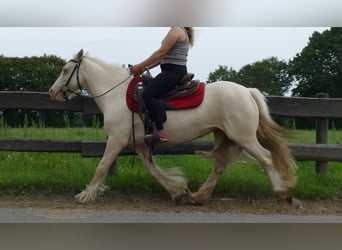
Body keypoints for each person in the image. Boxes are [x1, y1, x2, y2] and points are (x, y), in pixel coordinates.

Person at [130, 27, 194, 143]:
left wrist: (139, 66)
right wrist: (144, 68)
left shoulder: (176, 31)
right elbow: (163, 58)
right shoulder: (175, 31)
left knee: (148, 94)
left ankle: (159, 130)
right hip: (171, 70)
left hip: (173, 72)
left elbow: (161, 53)